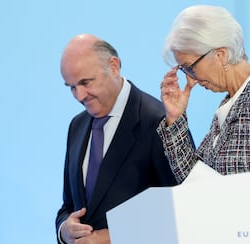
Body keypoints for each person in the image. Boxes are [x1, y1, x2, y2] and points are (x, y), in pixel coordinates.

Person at [157, 5, 250, 184]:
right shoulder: (232, 104)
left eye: (190, 67)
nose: (191, 79)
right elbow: (198, 185)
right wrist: (175, 118)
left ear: (221, 54)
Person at [56, 34, 178, 243]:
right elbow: (68, 206)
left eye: (85, 82)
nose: (79, 95)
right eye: (72, 87)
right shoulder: (77, 126)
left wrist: (113, 237)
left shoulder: (158, 121)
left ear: (113, 66)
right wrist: (65, 231)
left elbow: (179, 211)